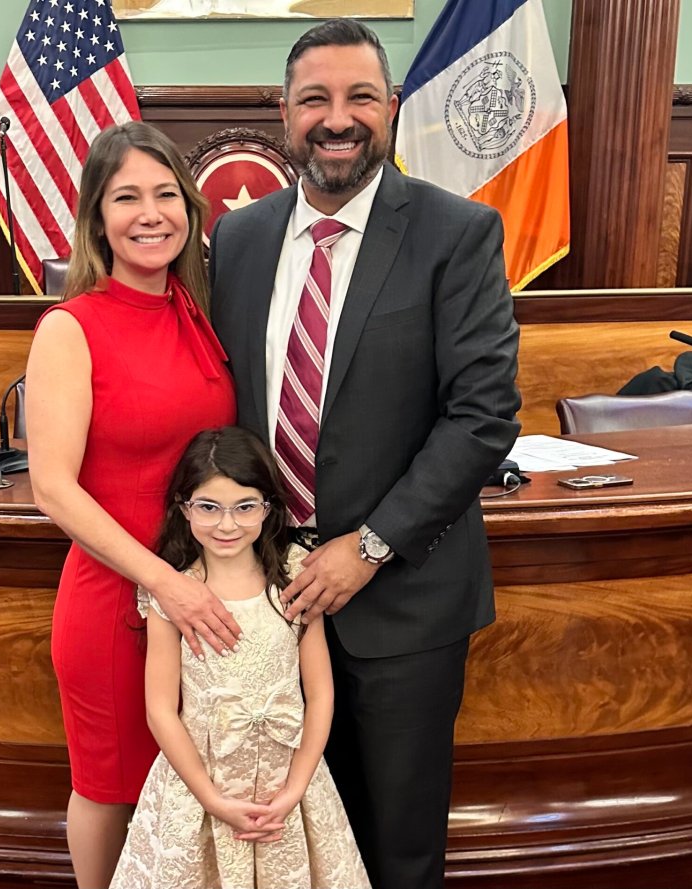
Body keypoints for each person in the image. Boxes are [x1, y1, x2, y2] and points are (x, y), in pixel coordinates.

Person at [208, 18, 522, 889]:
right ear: (284, 113)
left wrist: (371, 545)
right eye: (315, 99)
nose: (336, 118)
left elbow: (483, 415)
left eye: (358, 98)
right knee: (291, 834)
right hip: (265, 597)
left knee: (397, 840)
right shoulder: (238, 238)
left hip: (404, 600)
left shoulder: (457, 233)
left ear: (389, 108)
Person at [25, 121, 242, 889]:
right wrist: (166, 583)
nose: (150, 214)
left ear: (190, 207)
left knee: (188, 791)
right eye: (127, 198)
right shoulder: (71, 327)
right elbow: (52, 486)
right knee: (112, 787)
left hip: (204, 602)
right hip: (121, 600)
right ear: (96, 218)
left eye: (165, 194)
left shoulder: (200, 310)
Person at [111, 426, 370, 889]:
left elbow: (321, 693)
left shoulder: (294, 575)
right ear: (183, 507)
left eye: (244, 506)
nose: (226, 525)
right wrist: (212, 800)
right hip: (201, 788)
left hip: (289, 787)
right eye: (208, 507)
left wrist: (296, 788)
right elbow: (160, 709)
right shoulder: (172, 593)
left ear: (268, 508)